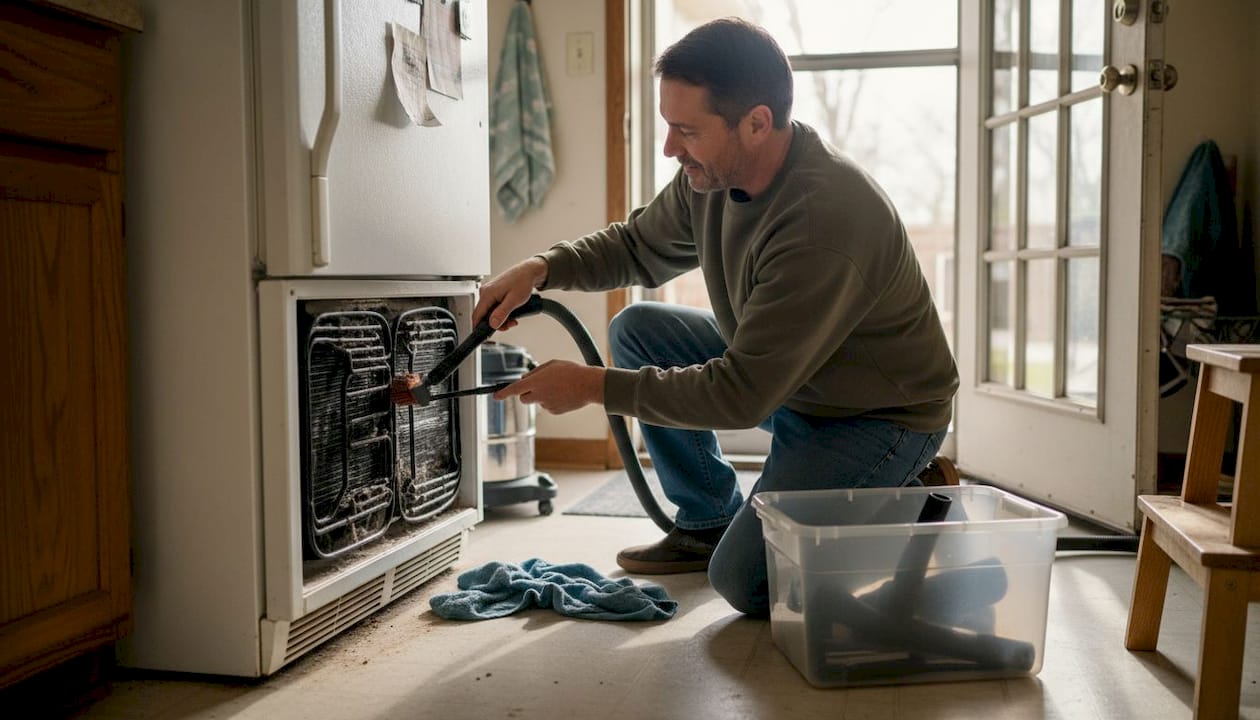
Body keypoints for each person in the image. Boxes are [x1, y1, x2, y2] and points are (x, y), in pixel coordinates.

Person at [474, 17, 959, 616]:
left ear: (756, 122)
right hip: (796, 382)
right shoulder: (709, 176)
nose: (670, 148)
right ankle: (706, 519)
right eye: (668, 126)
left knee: (748, 584)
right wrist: (540, 268)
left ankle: (907, 495)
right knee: (639, 330)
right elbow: (634, 247)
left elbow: (738, 399)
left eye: (686, 131)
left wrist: (591, 387)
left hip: (875, 416)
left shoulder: (823, 221)